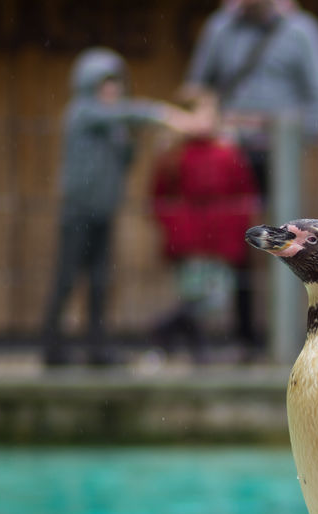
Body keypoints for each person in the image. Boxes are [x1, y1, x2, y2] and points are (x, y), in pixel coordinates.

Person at [185, 0, 318, 358]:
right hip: (228, 154)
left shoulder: (301, 32)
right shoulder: (220, 28)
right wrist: (216, 124)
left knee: (287, 242)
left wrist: (288, 140)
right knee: (232, 239)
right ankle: (239, 334)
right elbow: (197, 89)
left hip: (279, 157)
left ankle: (286, 338)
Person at [41, 48, 191, 367]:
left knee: (99, 281)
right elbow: (127, 113)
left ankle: (98, 348)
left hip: (103, 212)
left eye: (115, 84)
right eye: (104, 84)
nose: (111, 91)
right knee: (67, 279)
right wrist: (162, 115)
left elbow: (125, 160)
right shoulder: (83, 112)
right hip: (77, 212)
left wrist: (136, 139)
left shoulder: (115, 126)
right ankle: (52, 347)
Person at [149, 87, 259, 364]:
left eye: (210, 113)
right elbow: (158, 197)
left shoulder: (226, 153)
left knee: (213, 297)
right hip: (188, 239)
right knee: (193, 293)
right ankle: (197, 351)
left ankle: (166, 330)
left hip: (220, 240)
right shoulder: (174, 155)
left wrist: (234, 229)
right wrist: (177, 226)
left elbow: (243, 193)